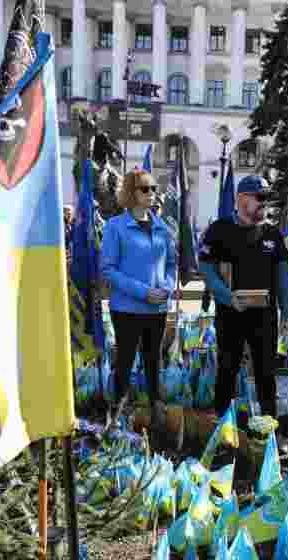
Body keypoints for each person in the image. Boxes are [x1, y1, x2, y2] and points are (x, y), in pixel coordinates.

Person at [198, 175, 288, 439]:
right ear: (241, 199)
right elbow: (205, 267)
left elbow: (283, 275)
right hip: (230, 314)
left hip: (264, 317)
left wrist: (287, 313)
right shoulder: (219, 229)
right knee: (227, 370)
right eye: (259, 198)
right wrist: (226, 296)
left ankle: (270, 432)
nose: (264, 204)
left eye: (267, 199)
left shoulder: (273, 233)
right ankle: (221, 431)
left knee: (266, 373)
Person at [101, 169, 177, 433]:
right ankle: (114, 416)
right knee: (125, 360)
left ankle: (157, 414)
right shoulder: (115, 227)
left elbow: (171, 264)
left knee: (154, 359)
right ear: (130, 193)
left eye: (154, 188)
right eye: (145, 188)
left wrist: (166, 288)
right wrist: (143, 292)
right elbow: (108, 269)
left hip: (157, 308)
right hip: (127, 309)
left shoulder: (162, 228)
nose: (151, 194)